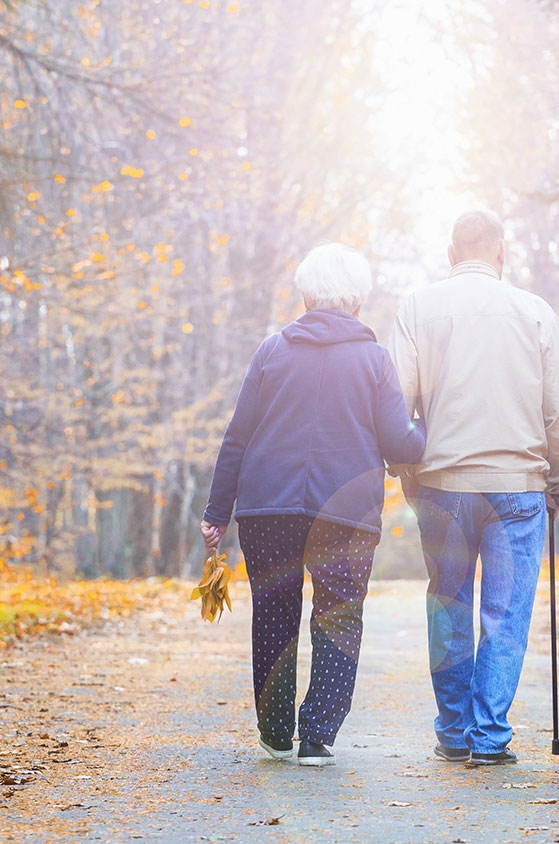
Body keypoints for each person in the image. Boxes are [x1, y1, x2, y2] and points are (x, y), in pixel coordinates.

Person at [200, 242, 426, 767]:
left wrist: (217, 511)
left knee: (275, 615)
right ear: (357, 299)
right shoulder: (374, 359)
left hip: (267, 507)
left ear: (306, 296)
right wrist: (427, 429)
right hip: (344, 511)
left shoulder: (272, 351)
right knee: (338, 616)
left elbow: (237, 438)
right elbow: (400, 444)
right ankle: (318, 735)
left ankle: (276, 733)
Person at [387, 210, 559, 766]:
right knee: (506, 615)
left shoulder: (417, 308)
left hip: (442, 485)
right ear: (503, 253)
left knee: (448, 606)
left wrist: (407, 472)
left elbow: (398, 403)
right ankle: (489, 737)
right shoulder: (536, 312)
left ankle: (453, 733)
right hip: (517, 489)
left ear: (452, 254)